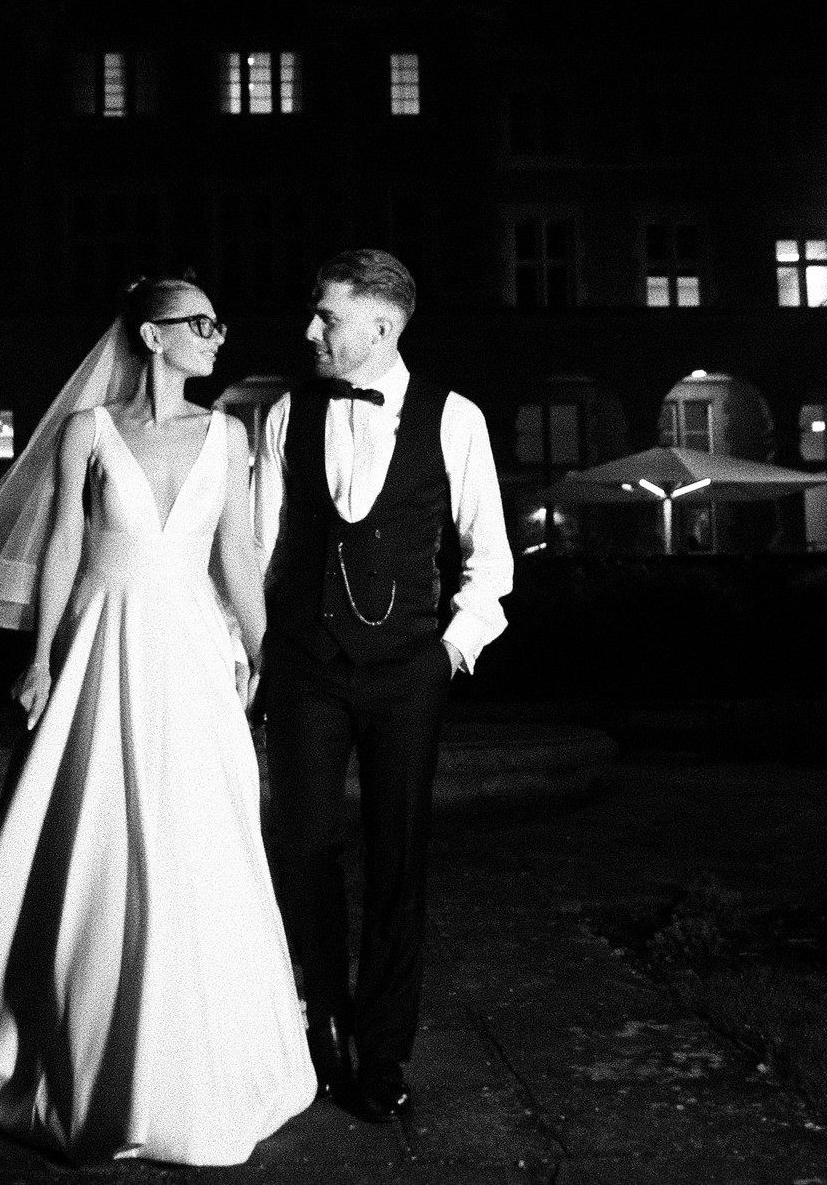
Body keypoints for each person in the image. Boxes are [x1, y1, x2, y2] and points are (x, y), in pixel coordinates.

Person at [0, 277, 314, 1165]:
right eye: (201, 324)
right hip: (101, 646)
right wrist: (42, 655)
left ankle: (195, 1061)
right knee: (93, 837)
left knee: (198, 835)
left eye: (219, 323)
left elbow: (238, 553)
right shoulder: (90, 432)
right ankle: (75, 1045)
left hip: (195, 654)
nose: (218, 337)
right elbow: (60, 546)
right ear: (153, 337)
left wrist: (272, 654)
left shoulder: (229, 434)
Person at [254, 249, 513, 1122]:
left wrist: (450, 653)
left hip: (408, 670)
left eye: (327, 317)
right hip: (302, 667)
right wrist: (252, 650)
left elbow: (493, 562)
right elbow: (257, 548)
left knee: (399, 861)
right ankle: (320, 1027)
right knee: (305, 850)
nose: (310, 331)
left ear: (382, 325)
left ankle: (384, 1050)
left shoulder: (457, 418)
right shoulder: (288, 412)